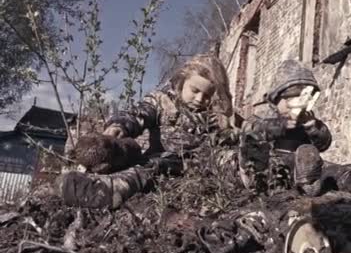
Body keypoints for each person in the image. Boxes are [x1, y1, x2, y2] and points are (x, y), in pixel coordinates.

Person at [58, 54, 238, 209]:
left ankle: (105, 191)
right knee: (122, 152)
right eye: (195, 90)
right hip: (147, 156)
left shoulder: (215, 119)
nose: (200, 99)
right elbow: (140, 113)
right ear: (183, 82)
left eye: (207, 96)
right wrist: (119, 127)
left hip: (179, 168)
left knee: (151, 169)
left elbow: (223, 146)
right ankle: (79, 178)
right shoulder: (163, 101)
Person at [238, 59, 351, 201]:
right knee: (301, 162)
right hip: (269, 170)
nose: (295, 105)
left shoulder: (306, 118)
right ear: (276, 98)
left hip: (308, 166)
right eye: (289, 99)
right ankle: (306, 185)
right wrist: (280, 125)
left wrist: (312, 126)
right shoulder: (262, 116)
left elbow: (324, 144)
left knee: (332, 169)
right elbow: (250, 133)